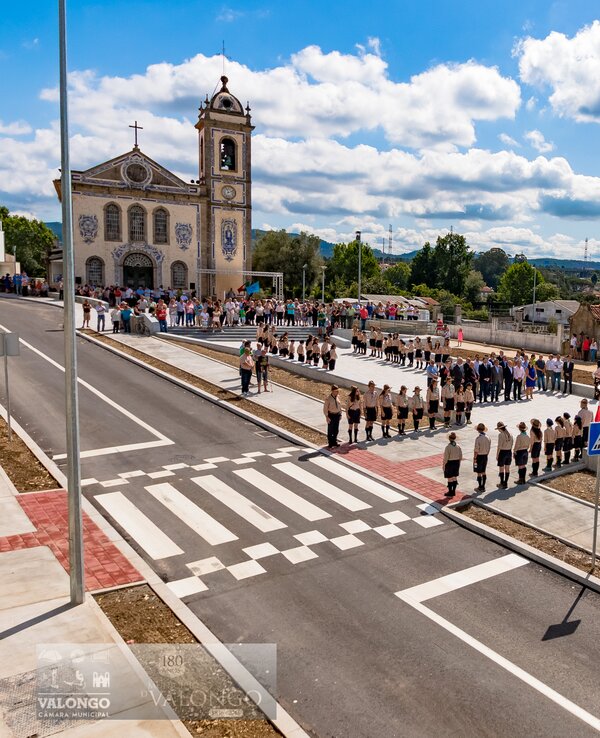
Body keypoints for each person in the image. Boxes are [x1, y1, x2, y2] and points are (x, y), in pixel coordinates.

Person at [442, 432, 462, 498]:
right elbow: (460, 457)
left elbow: (446, 458)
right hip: (456, 463)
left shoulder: (448, 447)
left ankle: (450, 492)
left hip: (450, 463)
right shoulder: (458, 446)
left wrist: (443, 465)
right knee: (454, 477)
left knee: (450, 478)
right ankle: (453, 491)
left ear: (449, 439)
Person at [473, 423, 491, 493]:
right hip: (485, 456)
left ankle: (480, 486)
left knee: (478, 472)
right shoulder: (488, 438)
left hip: (479, 457)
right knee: (484, 471)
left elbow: (476, 450)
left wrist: (475, 458)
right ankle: (483, 486)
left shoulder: (478, 439)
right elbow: (489, 448)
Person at [496, 421, 513, 489]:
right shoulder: (510, 434)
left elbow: (499, 446)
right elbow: (512, 444)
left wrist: (497, 454)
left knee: (501, 468)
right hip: (509, 452)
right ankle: (505, 483)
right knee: (507, 468)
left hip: (503, 452)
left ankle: (502, 482)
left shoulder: (501, 435)